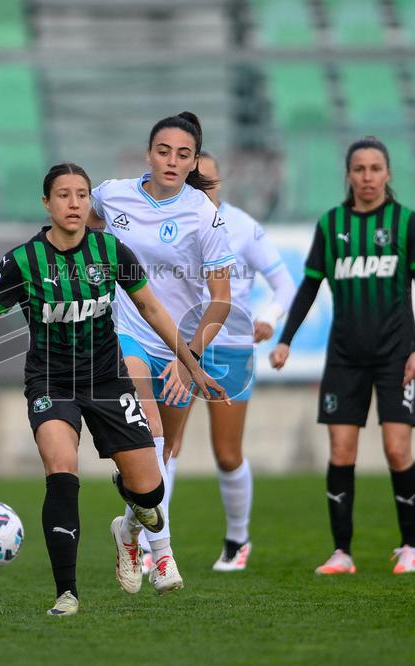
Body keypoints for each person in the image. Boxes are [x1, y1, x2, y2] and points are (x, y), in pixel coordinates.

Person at [0, 163, 229, 616]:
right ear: (47, 203)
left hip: (107, 378)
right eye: (63, 195)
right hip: (51, 382)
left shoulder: (111, 250)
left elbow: (153, 311)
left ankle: (128, 521)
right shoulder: (22, 262)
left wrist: (192, 365)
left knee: (150, 492)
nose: (73, 203)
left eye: (81, 195)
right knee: (61, 471)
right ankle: (67, 593)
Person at [269, 136, 415, 575]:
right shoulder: (331, 225)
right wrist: (285, 338)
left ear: (388, 174)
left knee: (397, 450)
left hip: (396, 359)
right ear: (348, 175)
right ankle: (342, 552)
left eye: (375, 168)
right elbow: (309, 287)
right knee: (341, 452)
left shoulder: (407, 224)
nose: (367, 177)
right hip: (344, 358)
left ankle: (410, 546)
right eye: (359, 169)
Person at [88, 111, 235, 593]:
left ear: (193, 161)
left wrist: (187, 358)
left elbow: (221, 300)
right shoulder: (112, 195)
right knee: (148, 433)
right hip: (125, 332)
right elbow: (80, 232)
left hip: (182, 344)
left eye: (183, 154)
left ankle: (128, 528)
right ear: (149, 153)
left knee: (164, 454)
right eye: (164, 151)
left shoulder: (203, 214)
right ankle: (163, 554)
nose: (172, 161)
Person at [146, 152, 297, 573]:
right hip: (183, 348)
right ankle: (155, 547)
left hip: (230, 349)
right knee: (165, 446)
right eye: (195, 183)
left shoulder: (243, 227)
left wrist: (266, 320)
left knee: (227, 453)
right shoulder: (169, 224)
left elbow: (285, 285)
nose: (201, 190)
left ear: (221, 183)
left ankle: (237, 539)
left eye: (208, 183)